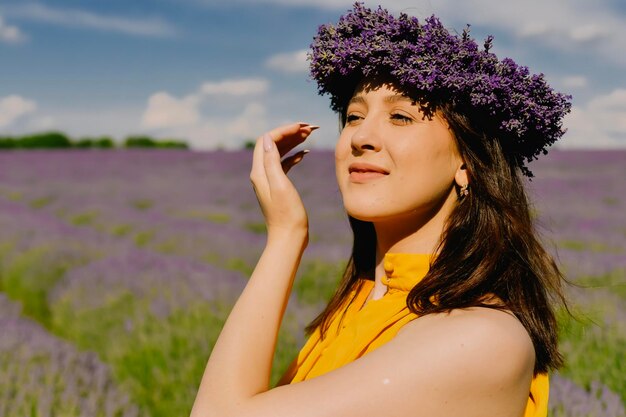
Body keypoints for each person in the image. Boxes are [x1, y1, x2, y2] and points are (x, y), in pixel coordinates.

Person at [191, 3, 571, 417]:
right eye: (354, 116)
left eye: (401, 117)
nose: (362, 137)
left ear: (467, 162)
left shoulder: (478, 337)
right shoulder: (360, 302)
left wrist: (285, 237)